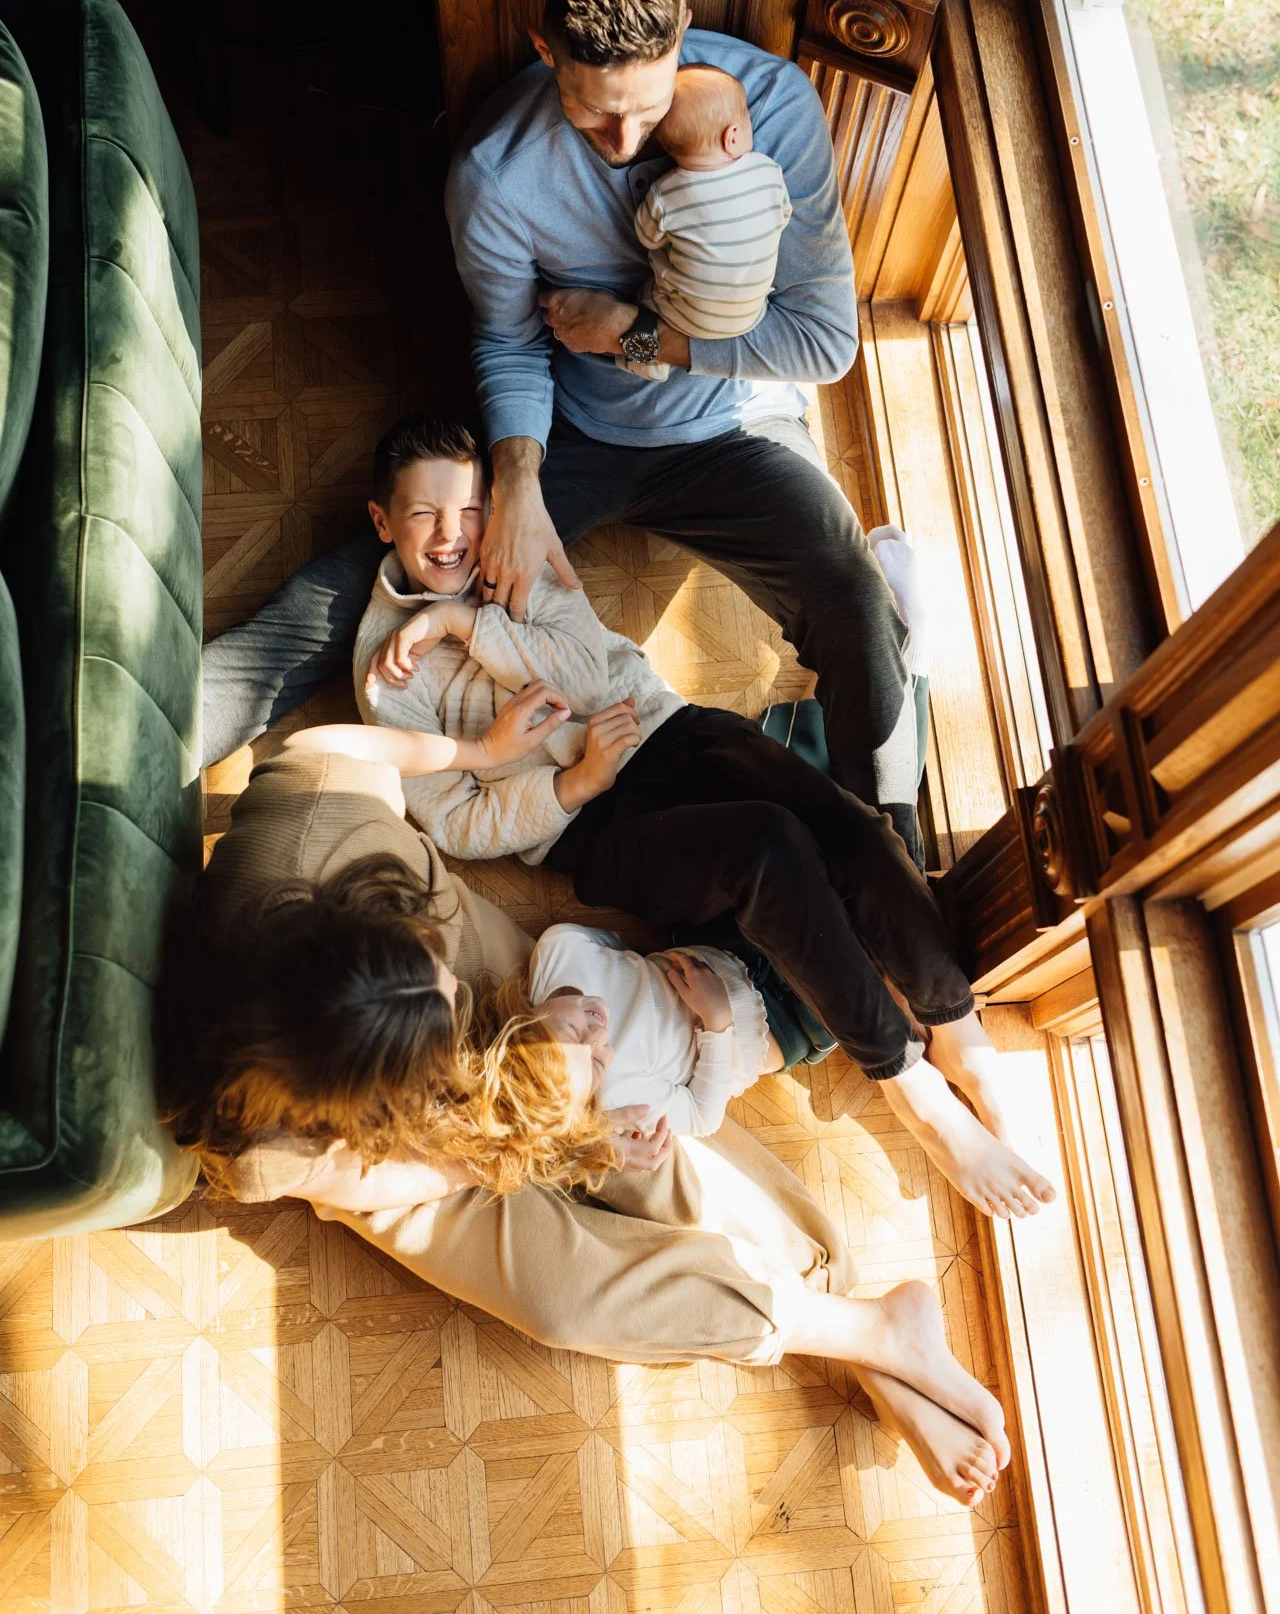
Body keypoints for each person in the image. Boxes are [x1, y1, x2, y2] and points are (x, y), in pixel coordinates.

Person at [200, 0, 927, 868]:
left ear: (686, 33)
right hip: (572, 433)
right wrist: (520, 482)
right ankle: (129, 738)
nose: (625, 142)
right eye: (593, 116)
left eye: (645, 106)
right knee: (364, 590)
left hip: (738, 427)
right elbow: (506, 342)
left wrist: (634, 333)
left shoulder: (774, 108)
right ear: (547, 53)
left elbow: (824, 342)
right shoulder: (496, 174)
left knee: (853, 597)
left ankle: (897, 863)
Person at [157, 714, 1008, 1509]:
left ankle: (854, 1315)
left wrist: (477, 755)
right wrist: (558, 1144)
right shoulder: (273, 1144)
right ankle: (866, 1336)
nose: (460, 999)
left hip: (425, 943)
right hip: (403, 1156)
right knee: (570, 1293)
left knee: (641, 1116)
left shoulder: (313, 814)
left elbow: (353, 749)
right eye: (447, 1007)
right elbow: (428, 1165)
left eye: (434, 980)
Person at [355, 413, 1056, 1223]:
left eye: (469, 510)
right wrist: (572, 785)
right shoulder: (387, 673)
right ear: (383, 521)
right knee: (766, 848)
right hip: (595, 826)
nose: (454, 536)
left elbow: (593, 667)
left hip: (666, 727)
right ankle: (908, 1081)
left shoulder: (510, 551)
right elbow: (455, 821)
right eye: (424, 515)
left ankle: (963, 1037)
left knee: (852, 826)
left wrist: (466, 625)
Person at [521, 924, 785, 1138]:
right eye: (598, 1062)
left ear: (525, 1022)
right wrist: (717, 1020)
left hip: (719, 953)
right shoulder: (615, 1094)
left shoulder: (557, 948)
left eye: (573, 1032)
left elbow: (616, 947)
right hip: (765, 1028)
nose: (599, 1034)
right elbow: (702, 1117)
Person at [617, 62, 791, 382]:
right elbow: (782, 216)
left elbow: (647, 238)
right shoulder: (767, 171)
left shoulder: (666, 192)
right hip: (753, 315)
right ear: (733, 136)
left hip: (686, 320)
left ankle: (649, 361)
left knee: (648, 290)